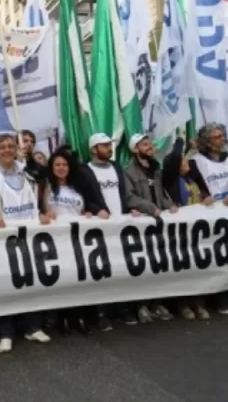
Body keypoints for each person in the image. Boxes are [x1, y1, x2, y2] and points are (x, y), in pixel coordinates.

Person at [0, 134, 53, 353]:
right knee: (5, 284)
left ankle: (32, 326)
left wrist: (41, 213)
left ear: (16, 149)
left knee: (31, 280)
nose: (7, 150)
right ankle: (5, 331)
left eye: (11, 146)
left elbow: (37, 197)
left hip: (29, 235)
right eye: (2, 147)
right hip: (3, 238)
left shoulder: (28, 172)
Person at [187, 124, 228, 316]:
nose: (222, 139)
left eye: (222, 136)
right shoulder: (196, 161)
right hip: (214, 216)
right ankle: (221, 299)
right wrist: (203, 195)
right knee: (220, 257)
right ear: (207, 142)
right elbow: (193, 184)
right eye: (216, 137)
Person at [43, 150, 102, 335]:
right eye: (57, 165)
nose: (61, 168)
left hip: (76, 239)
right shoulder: (46, 186)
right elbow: (38, 209)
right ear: (52, 168)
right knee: (61, 280)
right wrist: (44, 214)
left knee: (78, 279)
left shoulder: (77, 187)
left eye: (64, 165)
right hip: (55, 241)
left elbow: (85, 208)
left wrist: (88, 214)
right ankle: (61, 320)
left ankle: (78, 317)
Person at [79, 133, 132, 329]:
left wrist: (130, 209)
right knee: (101, 271)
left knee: (121, 268)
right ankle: (101, 312)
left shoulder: (116, 167)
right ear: (94, 149)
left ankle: (121, 308)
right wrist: (95, 210)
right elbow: (84, 196)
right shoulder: (85, 170)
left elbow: (122, 193)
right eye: (104, 146)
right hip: (99, 229)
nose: (109, 149)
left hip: (120, 226)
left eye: (109, 145)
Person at [123, 133, 176, 323]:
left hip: (159, 224)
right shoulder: (128, 171)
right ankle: (141, 305)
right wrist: (149, 208)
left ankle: (157, 303)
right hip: (142, 226)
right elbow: (129, 197)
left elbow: (160, 193)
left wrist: (169, 205)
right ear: (135, 149)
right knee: (144, 265)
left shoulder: (156, 169)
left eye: (150, 144)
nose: (150, 147)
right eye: (145, 145)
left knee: (160, 264)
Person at [161, 138, 210, 320]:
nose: (186, 162)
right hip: (181, 232)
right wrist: (181, 142)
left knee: (201, 266)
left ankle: (199, 302)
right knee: (185, 267)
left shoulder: (192, 178)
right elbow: (174, 158)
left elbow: (203, 194)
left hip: (198, 231)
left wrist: (207, 198)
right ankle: (183, 304)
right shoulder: (172, 180)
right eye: (183, 161)